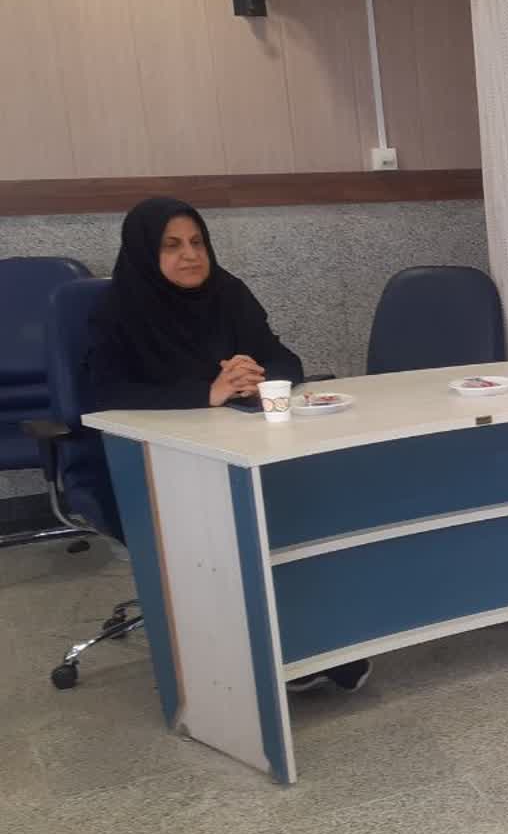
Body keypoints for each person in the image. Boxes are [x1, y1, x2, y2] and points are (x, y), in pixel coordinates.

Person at [87, 197, 369, 693]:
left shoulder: (228, 292)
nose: (190, 254)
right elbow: (103, 393)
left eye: (197, 242)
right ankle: (261, 654)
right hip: (150, 461)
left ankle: (311, 637)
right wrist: (207, 392)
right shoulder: (119, 309)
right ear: (144, 251)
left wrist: (256, 375)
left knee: (297, 507)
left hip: (237, 446)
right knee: (228, 529)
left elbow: (286, 360)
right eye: (171, 245)